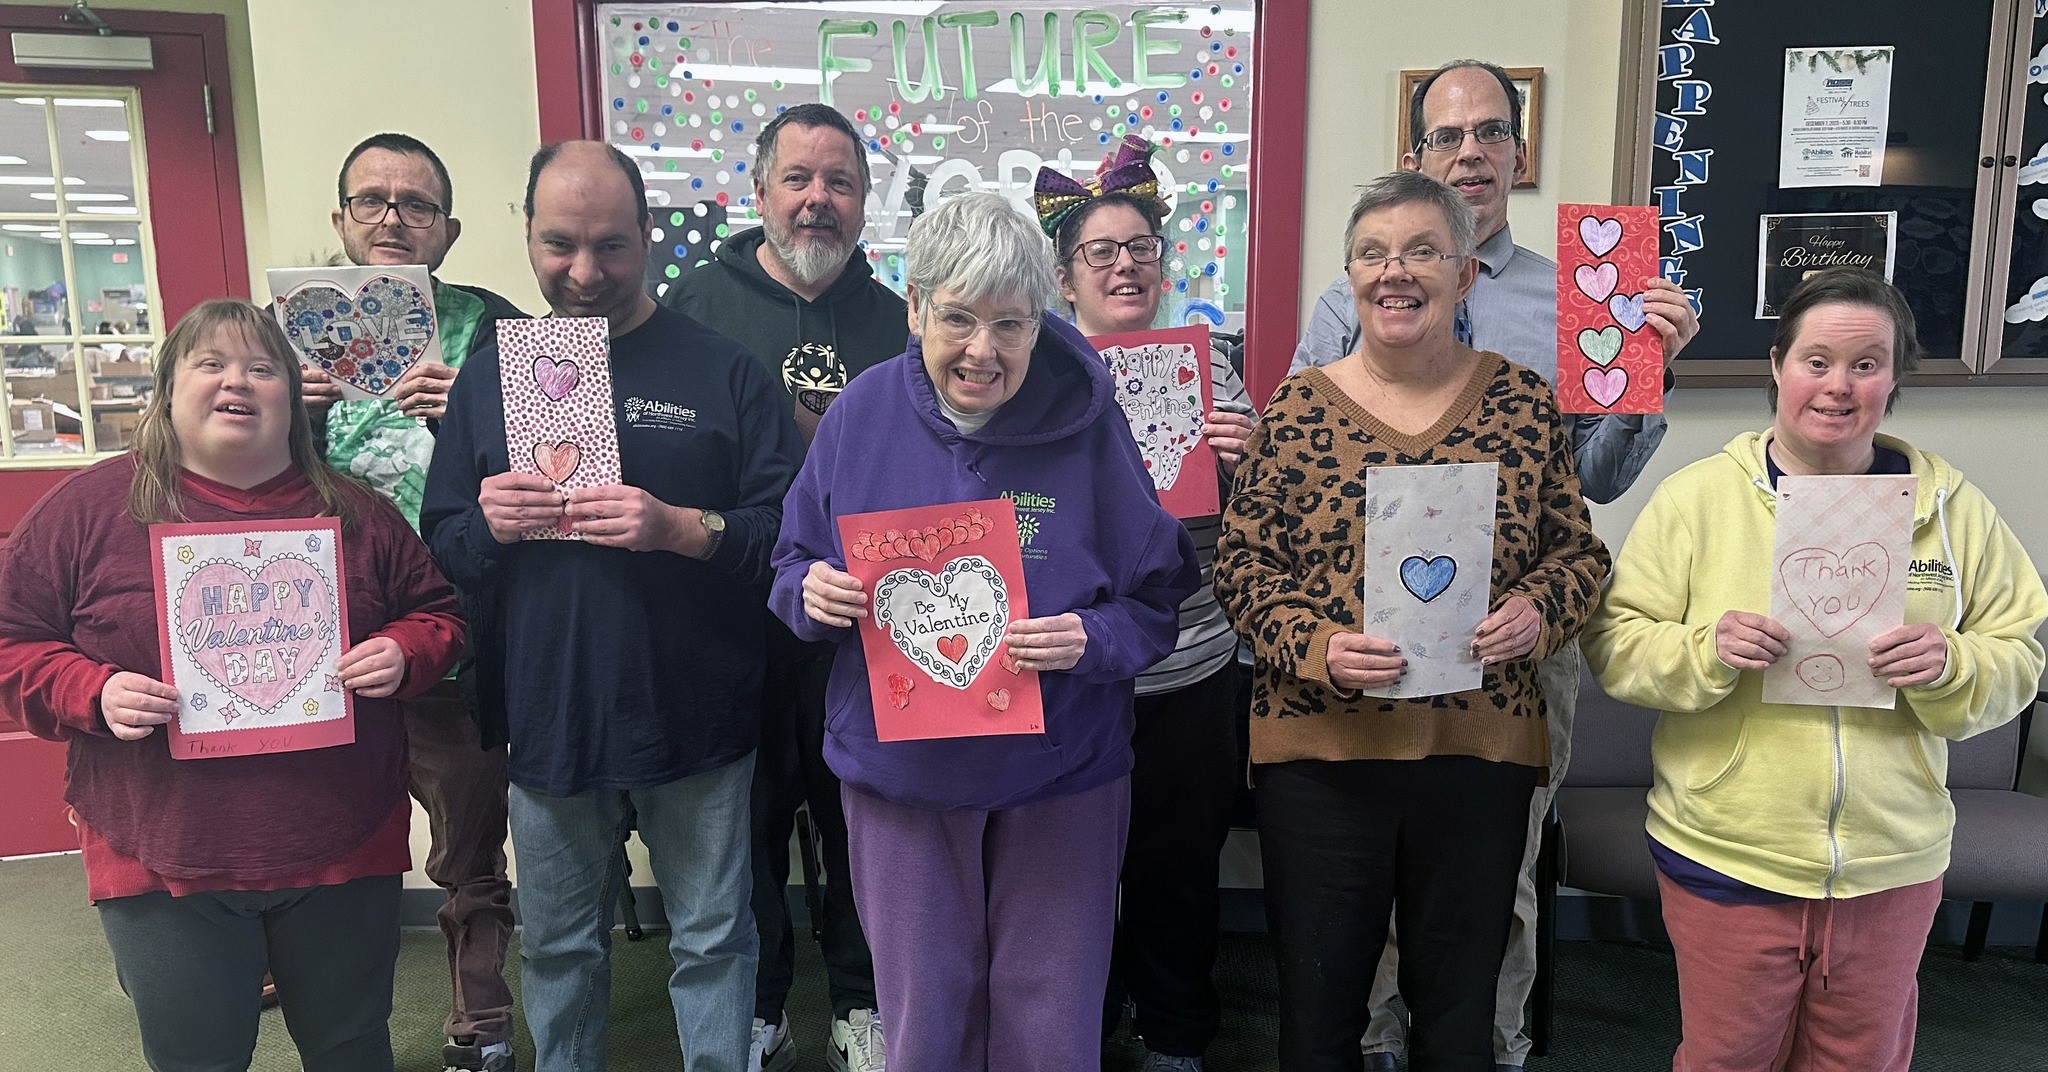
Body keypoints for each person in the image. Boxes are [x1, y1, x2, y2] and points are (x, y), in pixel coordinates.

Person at [1287, 59, 1696, 1072]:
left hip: (1512, 640)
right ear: (1414, 154)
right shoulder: (1352, 295)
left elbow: (1593, 484)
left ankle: (1492, 1050)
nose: (1467, 152)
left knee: (1497, 873)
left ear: (1517, 151)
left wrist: (1647, 376)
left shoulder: (1579, 298)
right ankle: (1377, 1046)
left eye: (1487, 133)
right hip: (1378, 637)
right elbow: (1300, 467)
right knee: (1376, 859)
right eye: (1444, 136)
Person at [769, 191, 1198, 1072]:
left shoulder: (1088, 421)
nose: (982, 351)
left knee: (1051, 1007)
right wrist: (809, 593)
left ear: (1041, 318)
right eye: (958, 318)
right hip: (905, 767)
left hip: (1062, 765)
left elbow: (1157, 599)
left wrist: (1090, 639)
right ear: (915, 304)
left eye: (1011, 324)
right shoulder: (861, 414)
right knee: (925, 1008)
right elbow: (789, 564)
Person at [1580, 268, 2047, 1072]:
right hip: (1729, 850)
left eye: (1867, 364)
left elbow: (2021, 650)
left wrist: (1953, 661)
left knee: (1861, 1061)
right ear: (1776, 366)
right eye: (1817, 360)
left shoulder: (1951, 508)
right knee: (1727, 1059)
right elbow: (1616, 643)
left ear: (1895, 378)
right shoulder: (1699, 499)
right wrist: (1706, 649)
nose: (1839, 385)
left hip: (1889, 861)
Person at [0, 299, 465, 1072]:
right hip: (163, 855)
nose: (234, 383)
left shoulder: (359, 515)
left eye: (261, 367)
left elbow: (438, 615)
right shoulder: (83, 513)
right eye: (209, 364)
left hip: (342, 847)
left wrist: (403, 649)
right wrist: (92, 689)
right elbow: (12, 641)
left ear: (293, 393)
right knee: (196, 1057)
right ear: (167, 390)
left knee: (351, 1046)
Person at [421, 141, 803, 1072]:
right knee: (557, 948)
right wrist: (492, 522)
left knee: (715, 941)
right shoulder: (490, 378)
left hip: (700, 713)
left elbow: (784, 536)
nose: (584, 273)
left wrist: (683, 527)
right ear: (526, 237)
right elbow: (446, 547)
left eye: (612, 247)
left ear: (647, 243)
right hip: (551, 718)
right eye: (560, 245)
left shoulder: (725, 370)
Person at [1217, 170, 1609, 1072]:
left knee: (1457, 1010)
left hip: (1478, 753)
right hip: (1322, 757)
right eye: (1372, 254)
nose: (1396, 273)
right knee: (1318, 1011)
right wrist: (1316, 646)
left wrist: (1535, 613)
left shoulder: (1520, 403)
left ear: (1465, 275)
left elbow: (1579, 555)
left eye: (1423, 252)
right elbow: (1240, 568)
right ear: (1349, 278)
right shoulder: (1298, 407)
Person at [663, 102, 899, 1072]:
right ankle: (759, 1004)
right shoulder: (692, 308)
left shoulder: (900, 319)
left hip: (869, 627)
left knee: (864, 823)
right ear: (757, 191)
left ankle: (860, 1000)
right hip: (729, 619)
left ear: (862, 201)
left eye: (838, 182)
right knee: (742, 826)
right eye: (797, 179)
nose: (816, 200)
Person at [1032, 136, 1253, 1072]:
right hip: (1075, 670)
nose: (1126, 266)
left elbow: (1262, 532)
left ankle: (1175, 1032)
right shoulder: (1032, 380)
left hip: (1191, 668)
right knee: (1067, 872)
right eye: (1101, 252)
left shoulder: (1217, 372)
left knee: (1175, 869)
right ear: (1065, 276)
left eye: (1142, 249)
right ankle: (1078, 1019)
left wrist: (1247, 465)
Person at [307, 131, 526, 1072]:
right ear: (341, 219)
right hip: (319, 631)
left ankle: (479, 1016)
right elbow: (210, 462)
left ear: (449, 229)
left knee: (468, 839)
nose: (394, 218)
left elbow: (566, 455)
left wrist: (480, 408)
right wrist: (295, 410)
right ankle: (302, 980)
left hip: (460, 625)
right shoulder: (284, 330)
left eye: (417, 205)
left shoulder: (497, 325)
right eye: (373, 200)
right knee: (316, 835)